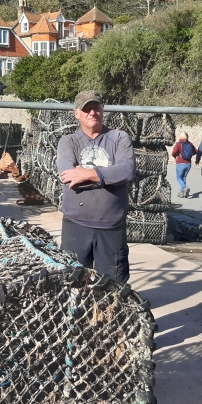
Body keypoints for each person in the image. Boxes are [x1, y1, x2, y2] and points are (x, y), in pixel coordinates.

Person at [57, 90, 135, 283]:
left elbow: (126, 171)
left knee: (113, 286)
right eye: (86, 109)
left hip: (111, 226)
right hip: (76, 224)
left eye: (96, 108)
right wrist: (109, 177)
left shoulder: (119, 138)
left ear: (103, 110)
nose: (92, 113)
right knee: (72, 283)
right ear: (77, 114)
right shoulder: (68, 142)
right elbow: (69, 176)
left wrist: (87, 174)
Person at [171, 133, 198, 198]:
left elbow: (173, 153)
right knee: (184, 178)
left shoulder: (178, 144)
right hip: (188, 163)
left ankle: (185, 188)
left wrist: (175, 156)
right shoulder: (190, 144)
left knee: (179, 178)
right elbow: (196, 151)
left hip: (180, 163)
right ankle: (181, 193)